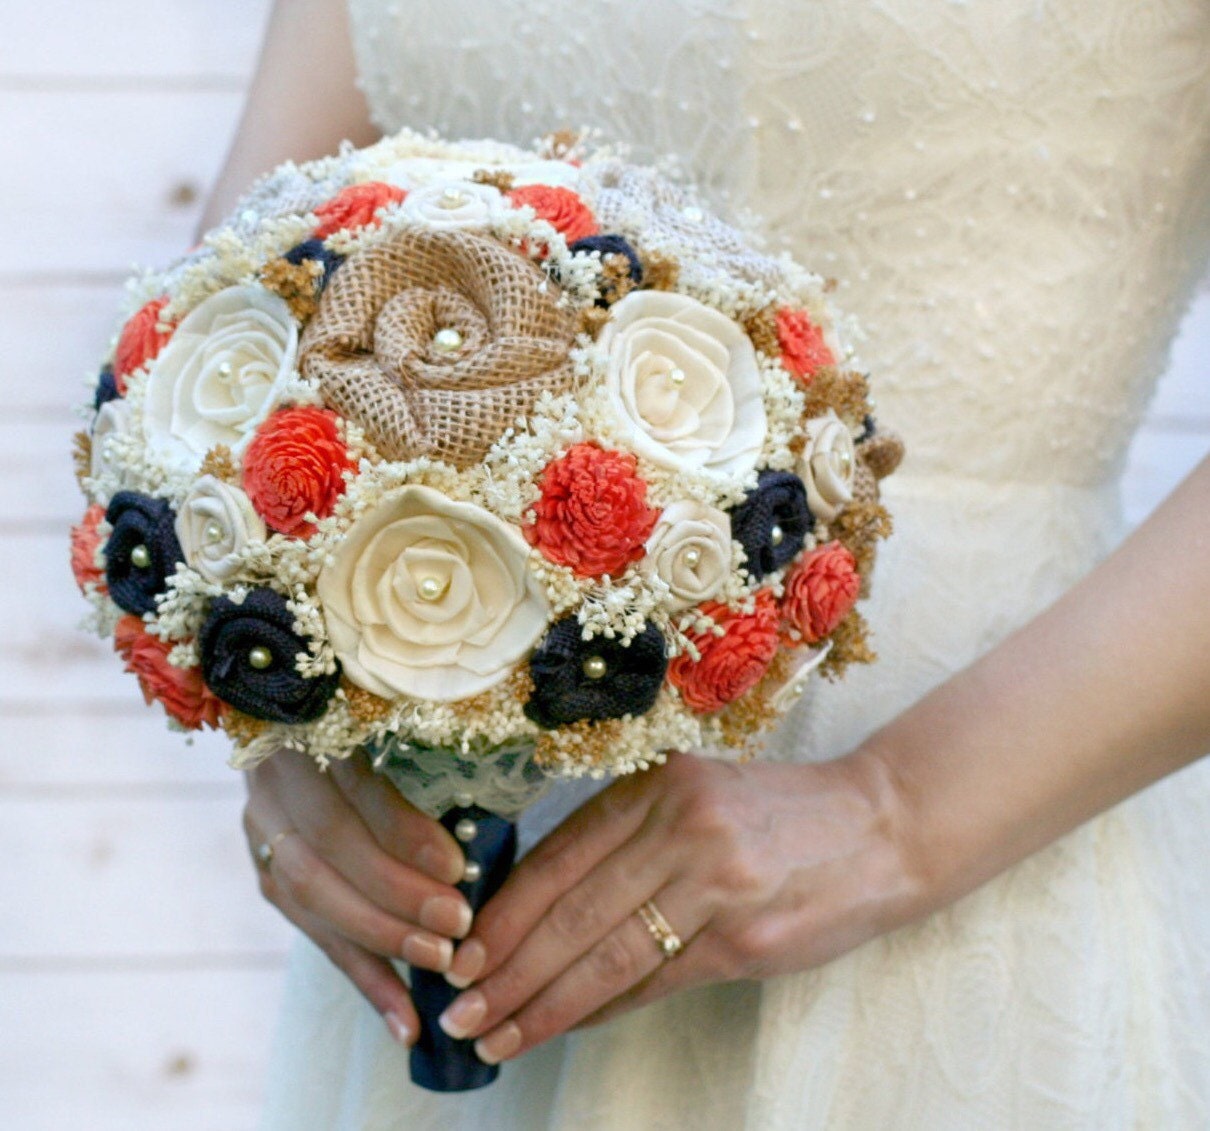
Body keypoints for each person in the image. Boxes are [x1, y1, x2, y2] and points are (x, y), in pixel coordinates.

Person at [204, 0, 1210, 1126]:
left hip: (983, 825)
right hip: (456, 889)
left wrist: (892, 810)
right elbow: (240, 310)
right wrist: (279, 729)